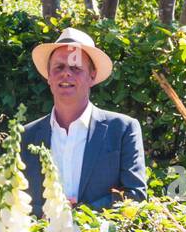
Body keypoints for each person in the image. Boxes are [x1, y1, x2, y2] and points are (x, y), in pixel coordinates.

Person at [20, 28, 147, 216]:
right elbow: (16, 198)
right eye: (59, 67)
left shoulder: (122, 130)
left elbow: (135, 195)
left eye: (75, 68)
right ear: (49, 76)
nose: (66, 74)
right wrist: (51, 213)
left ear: (92, 76)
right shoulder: (26, 135)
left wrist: (79, 212)